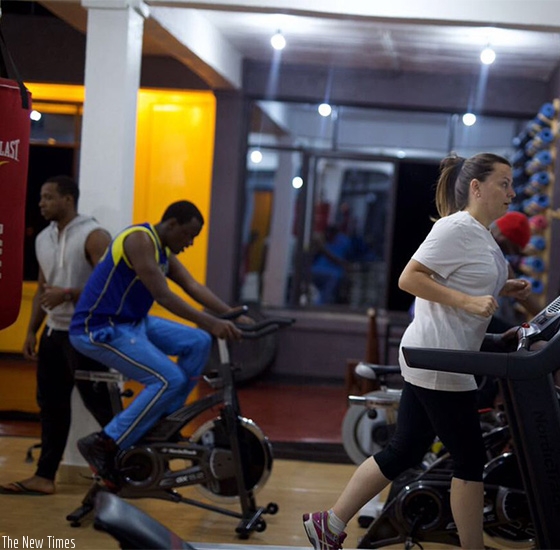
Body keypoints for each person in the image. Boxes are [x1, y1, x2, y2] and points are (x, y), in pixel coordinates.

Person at [302, 153, 532, 550]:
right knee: (470, 458)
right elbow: (409, 278)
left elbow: (465, 278)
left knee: (404, 449)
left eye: (512, 184)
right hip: (438, 359)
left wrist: (502, 289)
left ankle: (330, 523)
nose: (512, 193)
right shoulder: (456, 227)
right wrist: (468, 301)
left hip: (443, 357)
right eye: (504, 183)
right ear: (476, 187)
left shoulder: (481, 234)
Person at [68, 200, 245, 489]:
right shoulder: (139, 239)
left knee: (199, 341)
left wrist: (233, 314)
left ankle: (165, 422)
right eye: (188, 235)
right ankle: (104, 442)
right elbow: (163, 296)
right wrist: (212, 322)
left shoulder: (163, 250)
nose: (190, 243)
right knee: (168, 379)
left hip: (132, 322)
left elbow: (193, 286)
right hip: (99, 327)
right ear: (171, 224)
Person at [0, 176, 115, 496]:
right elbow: (42, 289)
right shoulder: (43, 238)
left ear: (68, 199)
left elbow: (110, 286)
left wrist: (70, 293)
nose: (41, 203)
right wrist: (31, 331)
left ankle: (123, 474)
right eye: (41, 197)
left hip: (87, 335)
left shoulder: (94, 235)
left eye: (48, 197)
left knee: (104, 408)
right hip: (53, 334)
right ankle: (44, 477)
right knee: (51, 407)